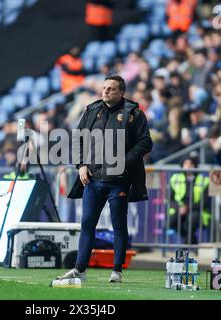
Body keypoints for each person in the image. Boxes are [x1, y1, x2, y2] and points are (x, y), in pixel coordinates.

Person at [57, 75, 153, 282]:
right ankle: (79, 270)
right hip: (92, 179)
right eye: (104, 88)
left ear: (121, 93)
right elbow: (78, 139)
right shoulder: (92, 110)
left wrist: (124, 161)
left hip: (119, 180)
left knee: (119, 226)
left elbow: (145, 143)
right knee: (87, 225)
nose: (106, 92)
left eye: (111, 89)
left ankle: (116, 271)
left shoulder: (133, 114)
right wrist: (81, 164)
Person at [168, 155, 211, 244]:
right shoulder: (175, 178)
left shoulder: (204, 180)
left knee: (192, 220)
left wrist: (187, 208)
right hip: (180, 208)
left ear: (195, 166)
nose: (188, 166)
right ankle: (193, 243)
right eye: (185, 163)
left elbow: (205, 202)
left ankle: (184, 247)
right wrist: (179, 207)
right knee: (171, 222)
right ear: (182, 166)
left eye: (191, 163)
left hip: (197, 209)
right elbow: (170, 198)